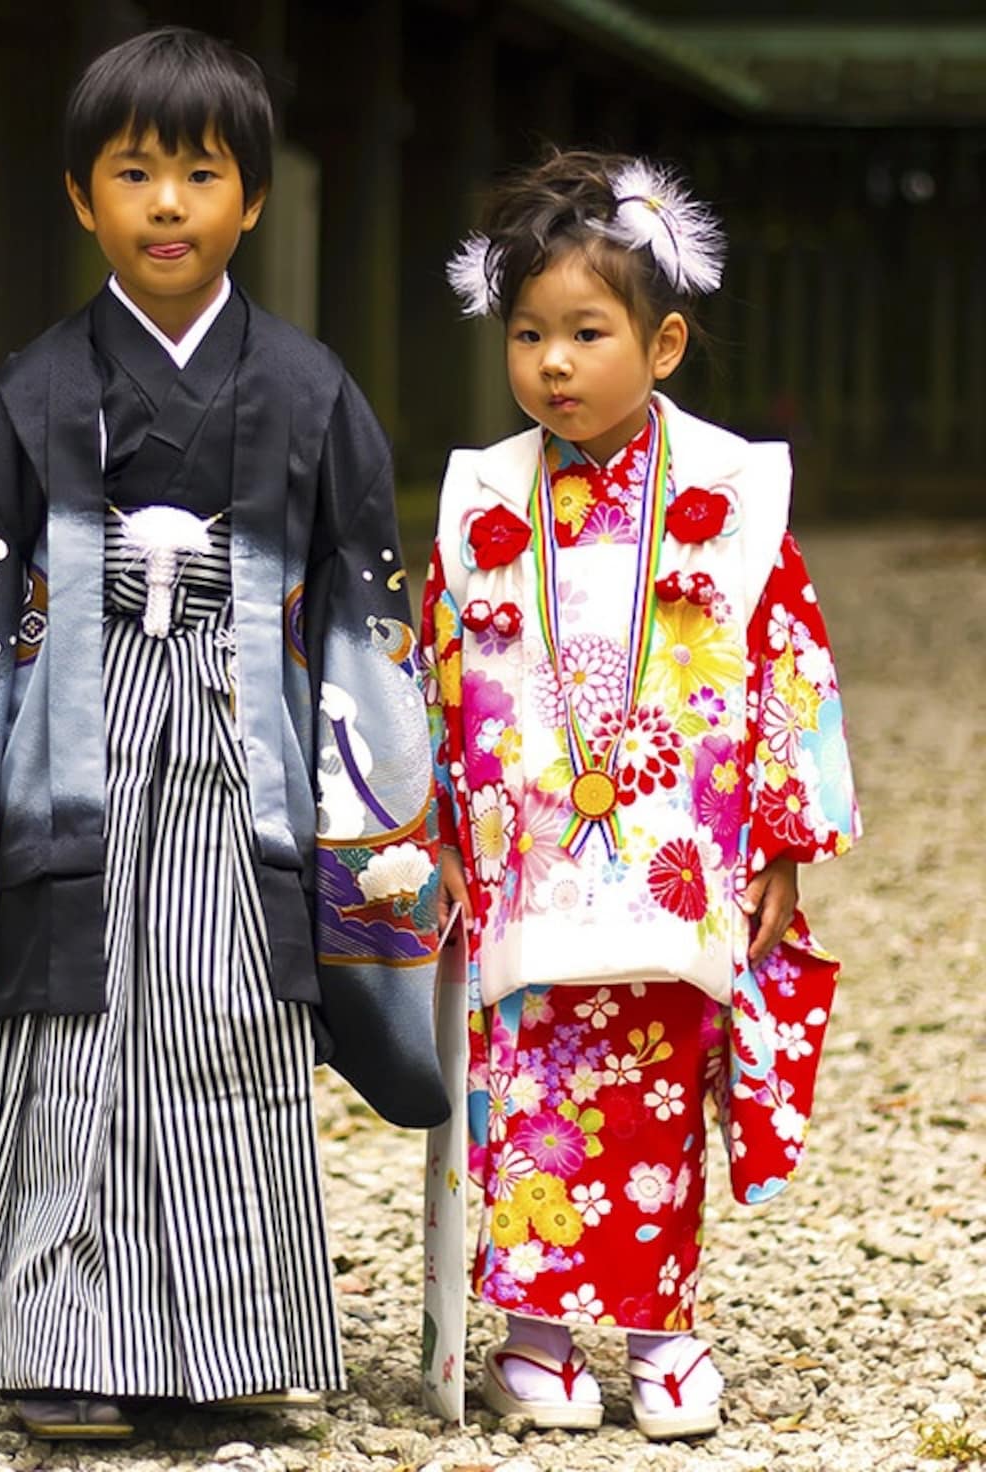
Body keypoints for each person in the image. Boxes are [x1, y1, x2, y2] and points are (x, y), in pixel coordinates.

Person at [0, 26, 445, 1440]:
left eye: (200, 173)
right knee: (70, 1031)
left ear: (254, 200)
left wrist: (391, 811)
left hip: (249, 764)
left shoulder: (308, 393)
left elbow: (362, 605)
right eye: (134, 173)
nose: (167, 204)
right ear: (79, 198)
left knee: (233, 1019)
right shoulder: (38, 389)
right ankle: (60, 1344)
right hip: (70, 758)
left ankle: (231, 1340)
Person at [422, 148, 860, 1440]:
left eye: (587, 332)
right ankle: (535, 1331)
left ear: (663, 343)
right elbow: (442, 669)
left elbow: (789, 657)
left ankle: (663, 1325)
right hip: (528, 851)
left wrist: (781, 839)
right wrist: (436, 827)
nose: (553, 364)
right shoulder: (484, 499)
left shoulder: (728, 496)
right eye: (529, 334)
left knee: (662, 1079)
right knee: (531, 1081)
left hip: (678, 853)